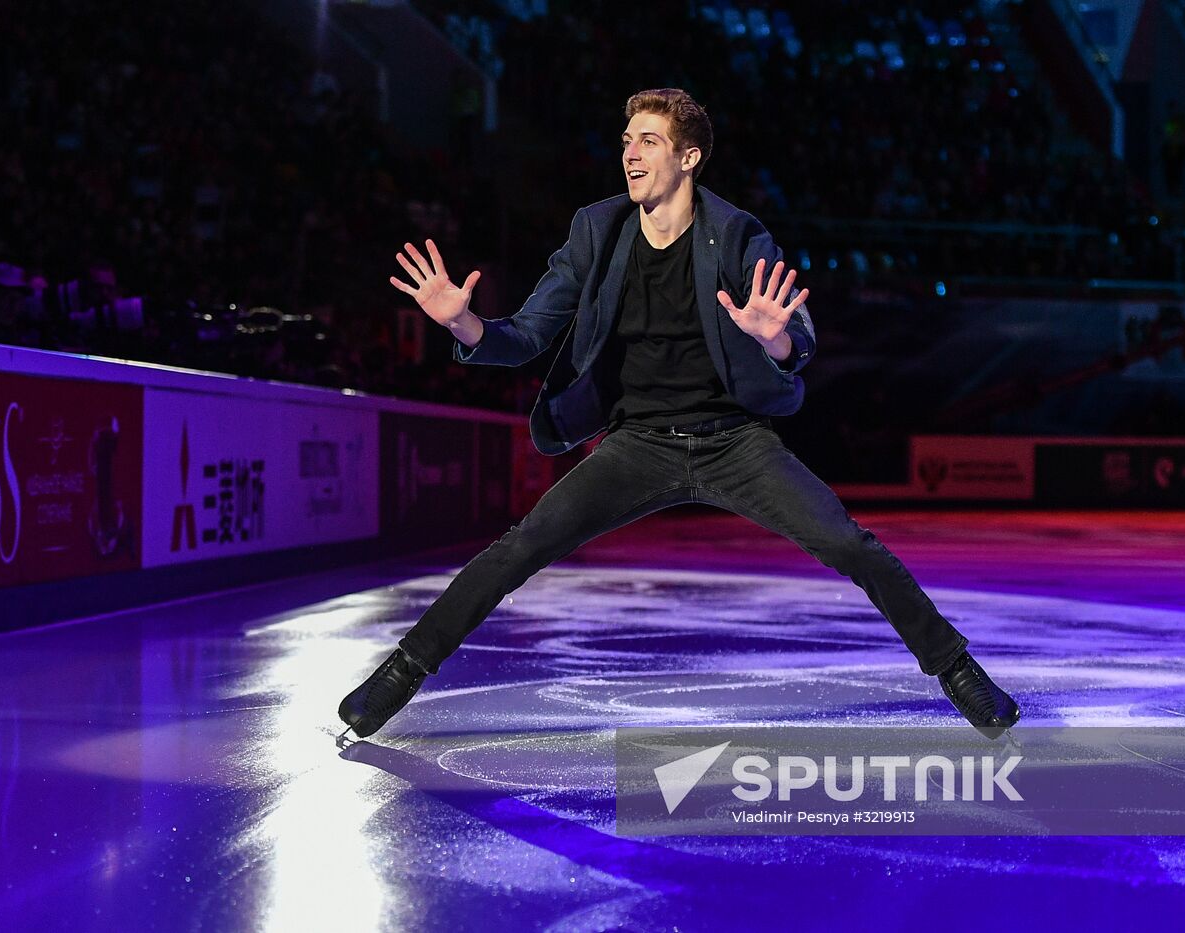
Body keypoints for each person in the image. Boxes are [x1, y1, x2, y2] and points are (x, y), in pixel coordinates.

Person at [339, 88, 1019, 742]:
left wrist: (773, 337)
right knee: (519, 547)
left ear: (689, 157)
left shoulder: (736, 232)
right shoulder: (596, 230)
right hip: (636, 445)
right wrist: (466, 325)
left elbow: (796, 336)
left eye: (650, 140)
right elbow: (527, 333)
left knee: (848, 544)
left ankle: (957, 670)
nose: (631, 153)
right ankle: (397, 676)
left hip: (734, 443)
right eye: (627, 140)